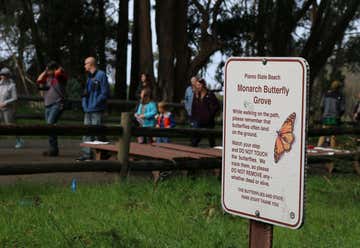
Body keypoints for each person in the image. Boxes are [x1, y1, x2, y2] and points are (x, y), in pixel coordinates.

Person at [77, 57, 110, 161]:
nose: (84, 66)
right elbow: (85, 93)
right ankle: (87, 155)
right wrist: (84, 105)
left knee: (97, 133)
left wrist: (95, 104)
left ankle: (103, 154)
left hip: (97, 109)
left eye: (85, 64)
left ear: (91, 64)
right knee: (87, 132)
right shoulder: (89, 78)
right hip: (88, 110)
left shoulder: (101, 75)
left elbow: (105, 93)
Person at [37, 61, 67, 156]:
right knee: (49, 127)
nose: (47, 71)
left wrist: (58, 67)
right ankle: (53, 149)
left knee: (50, 124)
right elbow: (38, 80)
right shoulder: (47, 77)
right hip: (48, 105)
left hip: (57, 104)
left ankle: (53, 149)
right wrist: (46, 72)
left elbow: (58, 73)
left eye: (49, 69)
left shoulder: (61, 76)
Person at [191, 78, 220, 147]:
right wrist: (194, 118)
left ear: (203, 85)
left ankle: (215, 154)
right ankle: (190, 153)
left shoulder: (210, 94)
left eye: (199, 85)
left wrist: (210, 115)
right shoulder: (196, 95)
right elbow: (193, 107)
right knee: (195, 140)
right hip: (199, 121)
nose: (197, 87)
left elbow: (216, 106)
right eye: (197, 85)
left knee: (211, 140)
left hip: (209, 122)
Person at [0, 67, 24, 149]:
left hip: (8, 109)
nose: (2, 76)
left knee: (10, 126)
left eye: (4, 75)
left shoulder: (12, 86)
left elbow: (15, 98)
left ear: (8, 76)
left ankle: (19, 140)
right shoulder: (0, 84)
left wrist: (5, 103)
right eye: (1, 74)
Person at [317, 80, 345, 148]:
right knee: (333, 135)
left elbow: (321, 106)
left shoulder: (326, 94)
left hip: (326, 117)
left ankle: (318, 148)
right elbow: (342, 109)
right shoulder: (340, 96)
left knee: (323, 133)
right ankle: (332, 150)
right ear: (339, 88)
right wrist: (339, 116)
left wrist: (323, 113)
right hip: (334, 117)